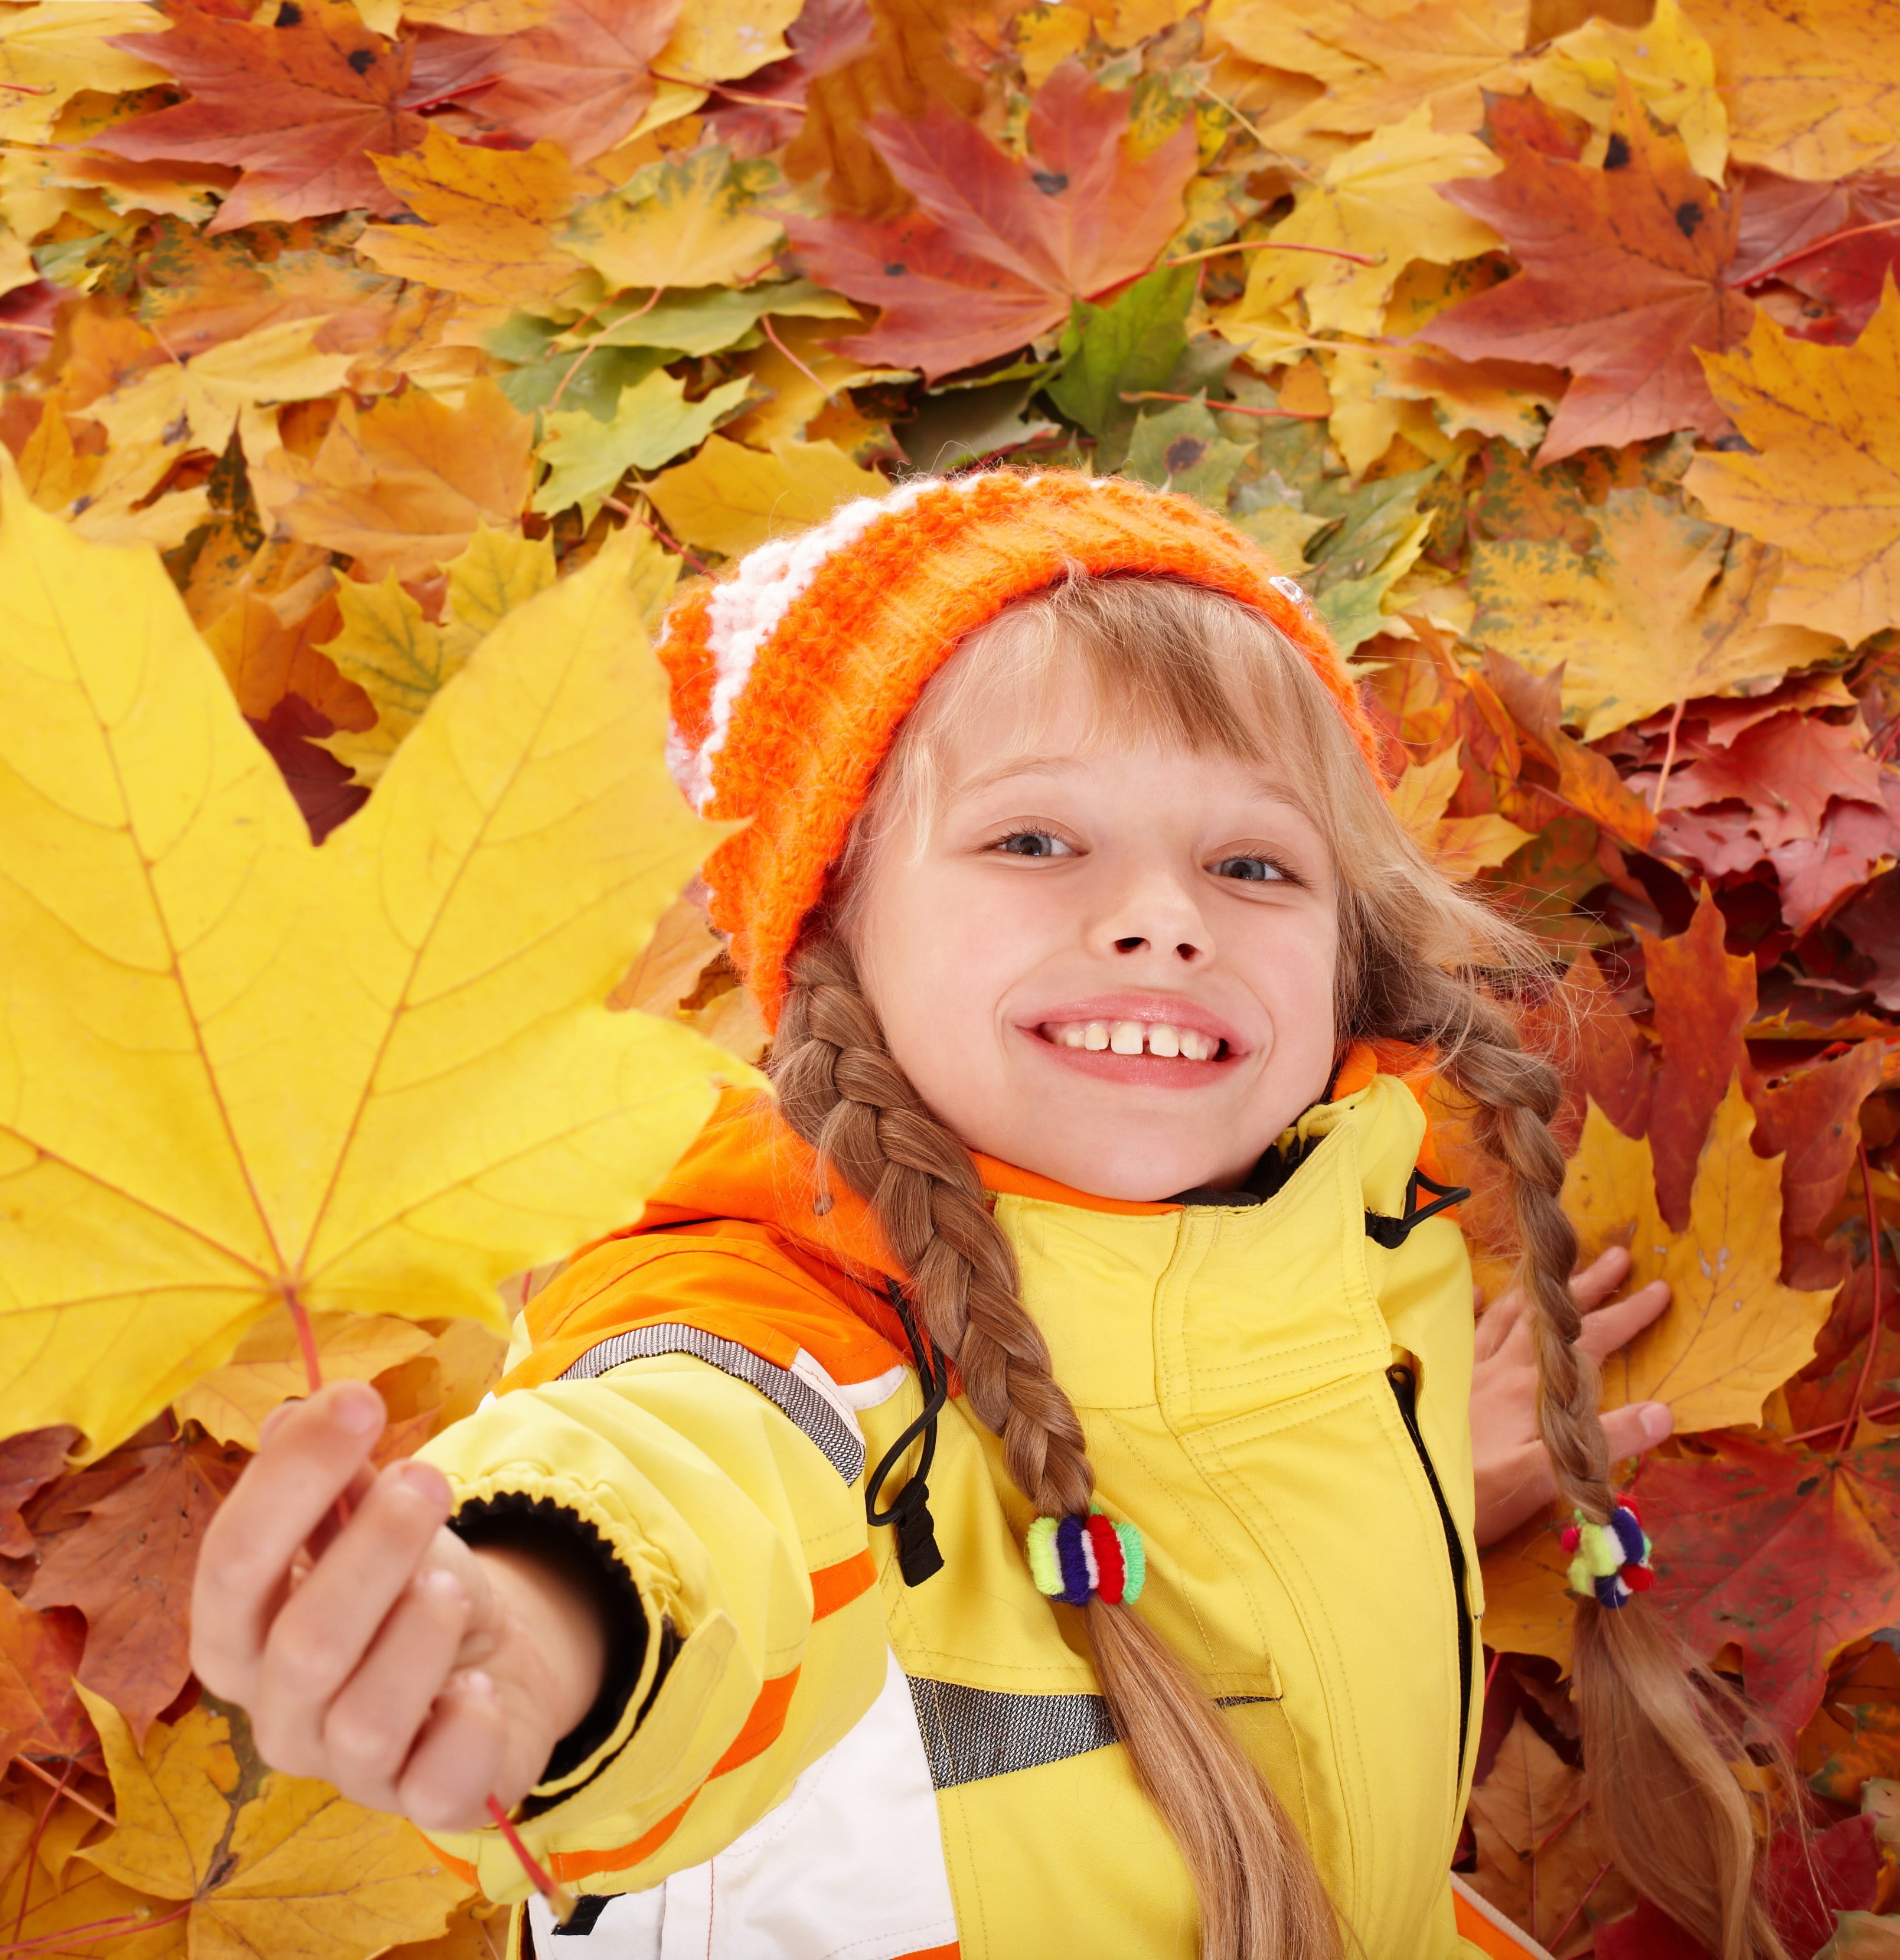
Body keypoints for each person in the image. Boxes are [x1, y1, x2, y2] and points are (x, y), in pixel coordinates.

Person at [188, 472, 1782, 1960]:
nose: (1161, 918)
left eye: (1250, 863)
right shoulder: (783, 1320)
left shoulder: (1349, 1240)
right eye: (1033, 840)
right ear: (835, 940)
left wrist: (1401, 1470)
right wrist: (530, 1624)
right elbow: (684, 1484)